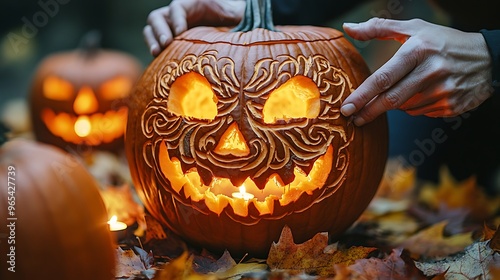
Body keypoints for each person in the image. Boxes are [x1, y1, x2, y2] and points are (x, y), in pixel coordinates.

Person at [143, 0, 500, 193]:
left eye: (285, 113)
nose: (233, 147)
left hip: (477, 51)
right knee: (422, 180)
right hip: (463, 45)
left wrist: (492, 53)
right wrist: (265, 7)